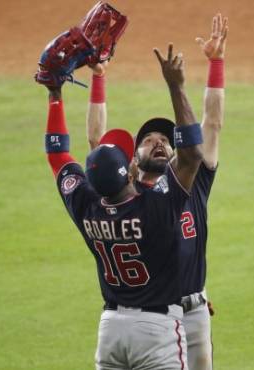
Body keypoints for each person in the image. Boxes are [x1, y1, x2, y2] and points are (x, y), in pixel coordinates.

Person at [42, 43, 203, 370]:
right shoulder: (156, 207)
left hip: (111, 330)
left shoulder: (86, 206)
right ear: (130, 172)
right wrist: (176, 85)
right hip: (157, 332)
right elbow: (191, 156)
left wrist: (55, 94)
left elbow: (58, 155)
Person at [86, 14, 228, 370]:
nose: (159, 144)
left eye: (165, 139)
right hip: (152, 317)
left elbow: (211, 124)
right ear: (132, 160)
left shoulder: (193, 182)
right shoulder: (126, 196)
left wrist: (216, 63)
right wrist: (98, 78)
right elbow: (95, 145)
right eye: (148, 141)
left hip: (193, 312)